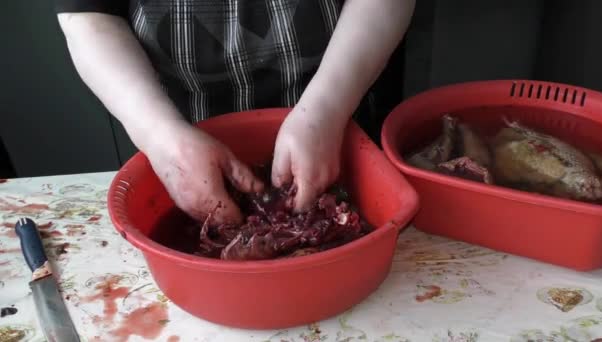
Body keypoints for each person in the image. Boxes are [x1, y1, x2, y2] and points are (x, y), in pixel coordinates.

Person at [54, 0, 415, 225]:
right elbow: (89, 18)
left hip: (335, 120)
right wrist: (160, 135)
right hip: (179, 129)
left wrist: (326, 109)